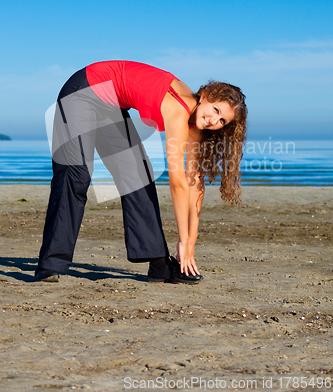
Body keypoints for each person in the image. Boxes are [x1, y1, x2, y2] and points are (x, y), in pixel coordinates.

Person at [34, 61, 247, 283]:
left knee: (138, 176)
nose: (214, 121)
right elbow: (177, 183)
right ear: (206, 95)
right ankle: (50, 264)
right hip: (82, 91)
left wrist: (191, 241)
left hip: (110, 106)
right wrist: (182, 241)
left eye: (222, 121)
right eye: (216, 110)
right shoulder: (179, 109)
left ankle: (159, 267)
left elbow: (193, 182)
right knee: (76, 176)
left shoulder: (195, 123)